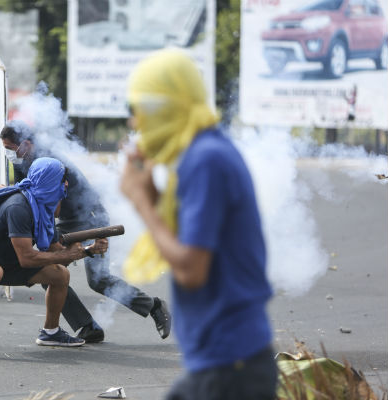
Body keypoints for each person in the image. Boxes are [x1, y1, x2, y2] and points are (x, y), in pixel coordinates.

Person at [119, 49, 277, 400]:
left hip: (229, 365)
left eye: (137, 110)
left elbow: (191, 269)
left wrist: (142, 202)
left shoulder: (205, 161)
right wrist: (154, 197)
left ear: (162, 107)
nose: (134, 123)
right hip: (226, 360)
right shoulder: (204, 153)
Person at [0, 121, 171, 343]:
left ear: (26, 144)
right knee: (50, 272)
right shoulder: (22, 160)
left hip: (89, 216)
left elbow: (52, 202)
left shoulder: (51, 162)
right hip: (67, 219)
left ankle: (154, 306)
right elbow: (24, 195)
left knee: (97, 279)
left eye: (10, 148)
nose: (8, 153)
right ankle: (87, 326)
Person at [0, 157, 108, 359]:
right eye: (62, 180)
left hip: (10, 264)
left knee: (60, 274)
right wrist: (67, 253)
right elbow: (27, 259)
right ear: (49, 182)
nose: (66, 185)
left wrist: (89, 250)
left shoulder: (43, 209)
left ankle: (50, 332)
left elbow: (56, 254)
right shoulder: (19, 207)